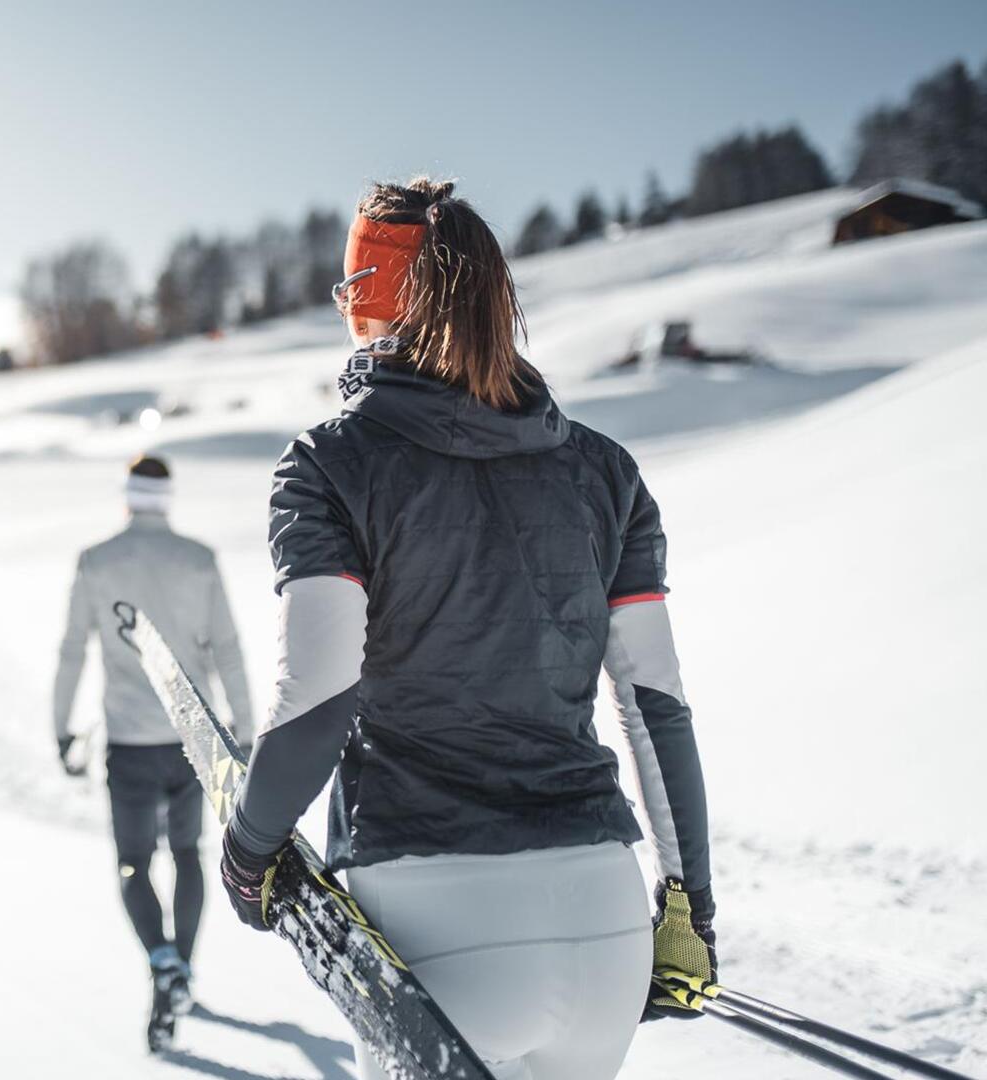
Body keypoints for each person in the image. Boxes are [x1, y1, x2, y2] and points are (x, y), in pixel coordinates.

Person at [218, 178, 715, 1080]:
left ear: (369, 296)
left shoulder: (330, 464)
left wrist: (251, 852)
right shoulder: (607, 472)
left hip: (436, 922)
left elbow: (322, 694)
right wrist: (691, 908)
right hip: (604, 927)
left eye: (346, 290)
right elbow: (655, 706)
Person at [54, 454, 255, 1015]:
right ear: (167, 499)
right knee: (188, 854)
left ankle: (162, 961)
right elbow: (229, 650)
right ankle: (184, 968)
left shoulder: (96, 562)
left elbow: (73, 651)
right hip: (195, 742)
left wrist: (61, 729)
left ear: (126, 496)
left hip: (129, 742)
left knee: (133, 863)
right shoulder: (199, 560)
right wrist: (245, 726)